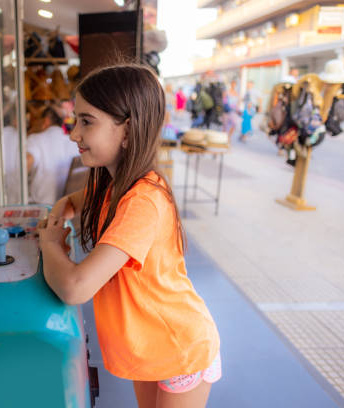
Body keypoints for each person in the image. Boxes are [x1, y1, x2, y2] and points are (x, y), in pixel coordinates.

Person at [37, 64, 221, 408]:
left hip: (178, 344)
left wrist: (50, 244)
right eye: (75, 120)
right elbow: (72, 202)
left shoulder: (142, 199)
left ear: (127, 130)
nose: (74, 134)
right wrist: (57, 216)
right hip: (149, 340)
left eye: (87, 122)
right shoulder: (113, 185)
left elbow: (75, 287)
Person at [26, 106, 77, 205]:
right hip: (67, 208)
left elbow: (27, 161)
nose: (32, 124)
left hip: (40, 207)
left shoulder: (35, 139)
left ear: (46, 121)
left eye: (35, 119)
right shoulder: (73, 143)